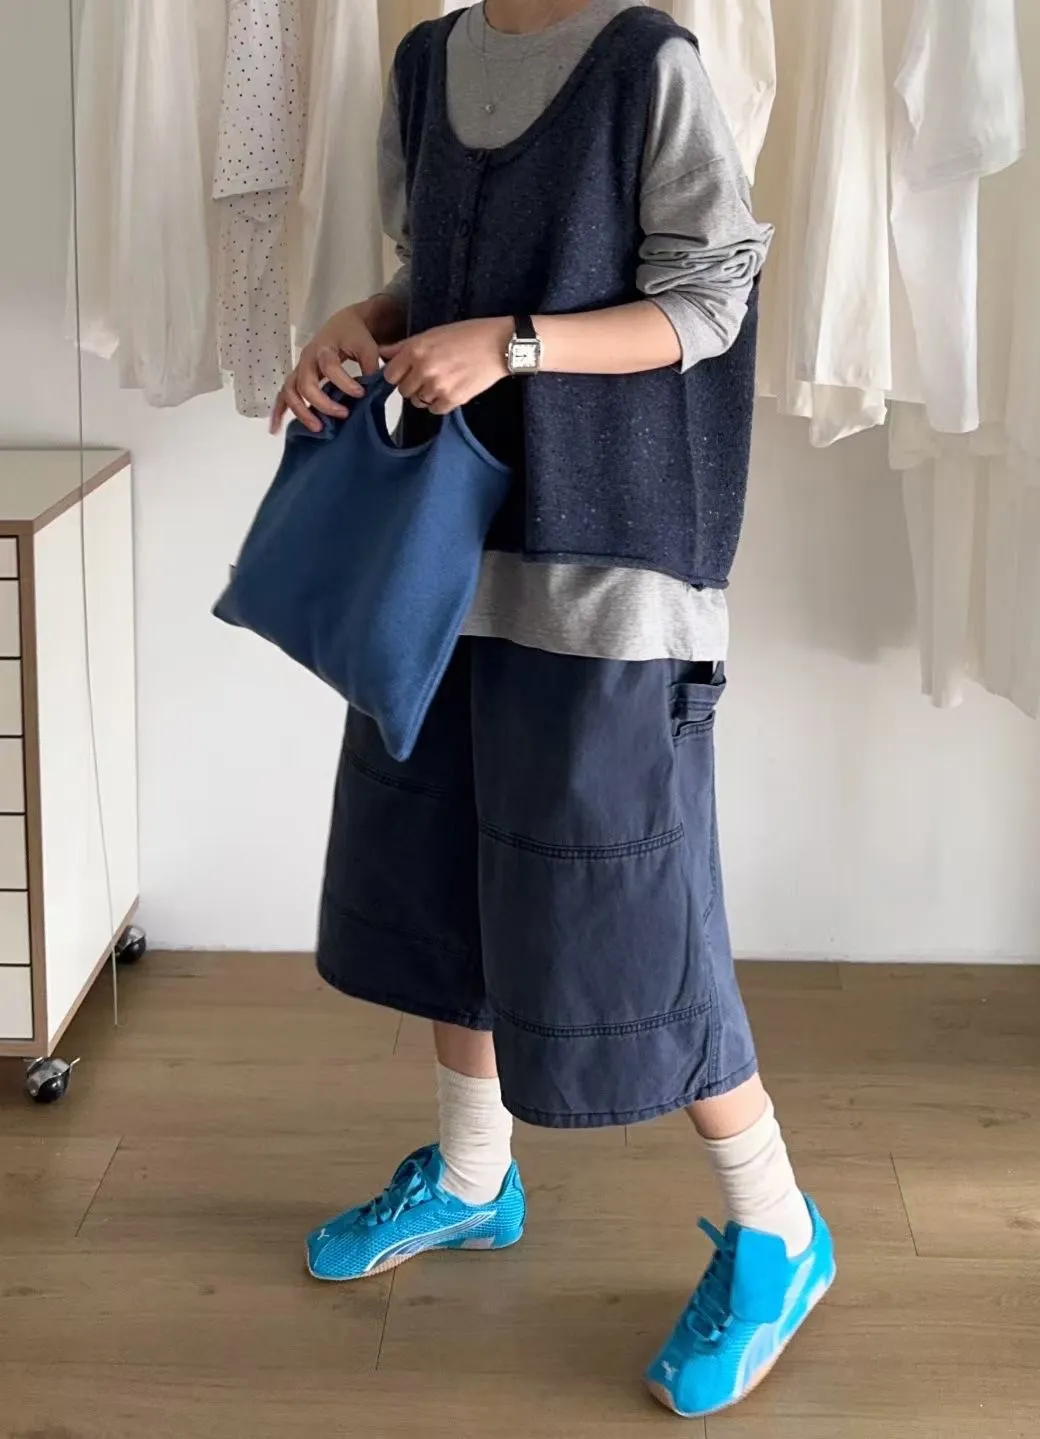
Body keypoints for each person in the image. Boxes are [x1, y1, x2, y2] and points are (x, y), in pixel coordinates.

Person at [272, 0, 834, 1419]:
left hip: (611, 569)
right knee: (444, 873)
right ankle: (474, 1175)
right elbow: (439, 276)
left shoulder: (651, 65)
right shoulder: (428, 60)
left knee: (637, 914)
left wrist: (509, 345)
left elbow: (707, 302)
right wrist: (366, 322)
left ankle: (780, 1227)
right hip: (442, 553)